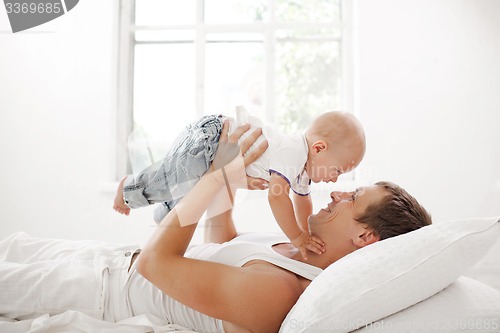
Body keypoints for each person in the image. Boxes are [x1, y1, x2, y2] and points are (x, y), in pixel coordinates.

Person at [0, 123, 431, 333]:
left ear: (366, 237)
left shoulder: (282, 292)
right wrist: (228, 168)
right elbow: (220, 241)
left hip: (100, 294)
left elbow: (156, 263)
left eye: (353, 199)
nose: (338, 193)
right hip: (105, 262)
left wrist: (214, 181)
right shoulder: (295, 248)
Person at [113, 106, 366, 259]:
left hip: (222, 154)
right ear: (319, 148)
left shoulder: (302, 172)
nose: (334, 180)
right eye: (337, 171)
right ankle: (129, 188)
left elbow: (303, 201)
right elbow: (277, 197)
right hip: (212, 137)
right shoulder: (294, 152)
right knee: (171, 178)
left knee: (185, 186)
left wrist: (307, 234)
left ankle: (163, 213)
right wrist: (298, 238)